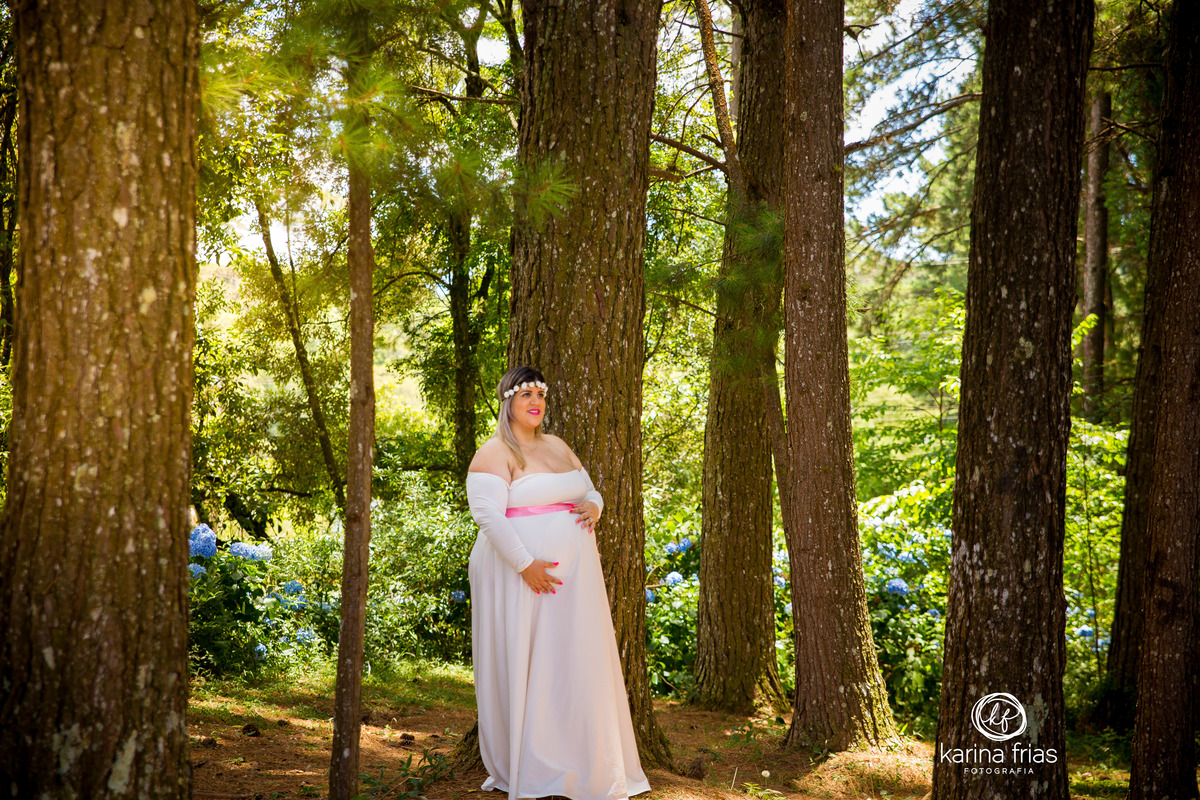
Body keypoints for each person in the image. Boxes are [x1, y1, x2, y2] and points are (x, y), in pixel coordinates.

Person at [466, 365, 651, 800]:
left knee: (571, 662)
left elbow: (589, 491)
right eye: (526, 394)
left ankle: (583, 758)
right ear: (507, 401)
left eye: (540, 395)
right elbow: (488, 515)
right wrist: (525, 563)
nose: (535, 402)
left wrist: (595, 507)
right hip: (523, 579)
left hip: (576, 585)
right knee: (534, 661)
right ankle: (535, 762)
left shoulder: (557, 445)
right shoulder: (494, 452)